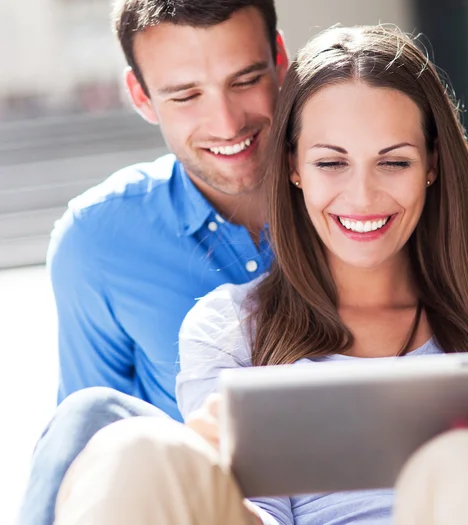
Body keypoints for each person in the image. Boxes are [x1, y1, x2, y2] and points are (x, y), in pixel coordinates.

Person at [39, 25, 468, 525]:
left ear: (432, 164)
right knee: (129, 447)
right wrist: (211, 469)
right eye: (331, 162)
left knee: (466, 457)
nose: (361, 195)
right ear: (293, 167)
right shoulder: (226, 327)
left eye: (394, 161)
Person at [48, 0, 288, 421]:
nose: (227, 123)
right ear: (141, 96)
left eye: (245, 80)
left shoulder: (362, 205)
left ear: (280, 60)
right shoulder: (95, 242)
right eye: (186, 95)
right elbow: (88, 438)